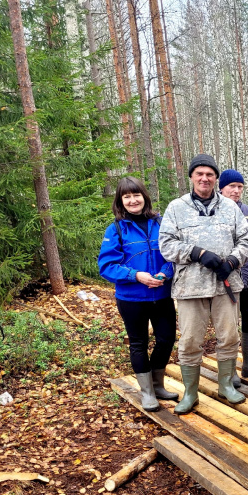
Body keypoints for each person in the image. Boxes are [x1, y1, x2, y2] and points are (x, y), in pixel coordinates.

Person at [159, 154, 248, 414]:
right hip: (190, 287)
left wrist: (233, 261)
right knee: (190, 340)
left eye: (210, 174)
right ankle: (190, 393)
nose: (204, 178)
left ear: (216, 178)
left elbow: (246, 241)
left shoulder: (231, 208)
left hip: (226, 285)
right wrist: (198, 253)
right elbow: (166, 244)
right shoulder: (176, 208)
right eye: (199, 173)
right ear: (191, 177)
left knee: (229, 337)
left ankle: (225, 385)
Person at [98, 177, 177, 412]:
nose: (133, 200)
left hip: (162, 295)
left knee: (166, 339)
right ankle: (148, 393)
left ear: (144, 196)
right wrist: (136, 275)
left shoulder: (161, 223)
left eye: (136, 195)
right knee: (139, 343)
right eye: (127, 196)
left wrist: (165, 272)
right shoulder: (116, 230)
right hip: (132, 299)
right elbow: (106, 266)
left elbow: (173, 255)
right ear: (121, 201)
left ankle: (157, 384)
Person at [219, 169, 248, 382]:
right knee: (229, 324)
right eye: (232, 187)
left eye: (240, 187)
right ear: (222, 188)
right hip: (227, 277)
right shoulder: (216, 209)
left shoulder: (245, 209)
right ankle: (229, 371)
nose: (236, 191)